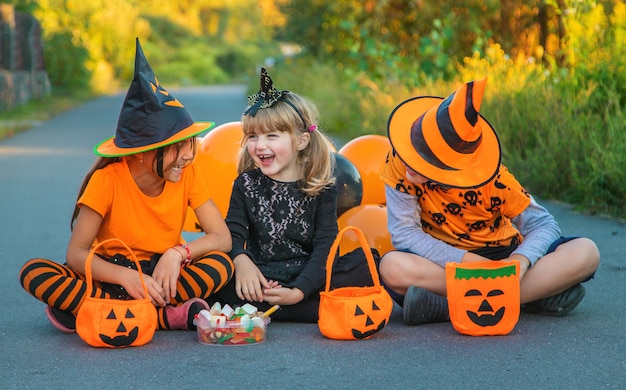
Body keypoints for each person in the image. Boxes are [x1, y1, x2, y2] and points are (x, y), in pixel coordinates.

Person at [18, 39, 234, 333]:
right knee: (35, 273)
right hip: (110, 272)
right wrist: (125, 277)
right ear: (142, 153)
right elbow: (77, 254)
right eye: (176, 147)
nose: (187, 154)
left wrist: (176, 254)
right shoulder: (107, 180)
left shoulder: (189, 174)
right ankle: (160, 316)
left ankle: (101, 310)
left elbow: (221, 237)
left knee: (221, 265)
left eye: (188, 144)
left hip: (162, 273)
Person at [379, 77, 600, 325]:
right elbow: (404, 233)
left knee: (586, 252)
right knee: (392, 267)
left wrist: (519, 261)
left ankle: (451, 307)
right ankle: (527, 297)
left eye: (424, 162)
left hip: (502, 255)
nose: (411, 163)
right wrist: (474, 265)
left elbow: (544, 225)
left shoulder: (494, 181)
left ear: (454, 169)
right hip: (444, 261)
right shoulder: (399, 162)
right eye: (412, 151)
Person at [210, 67, 365, 323]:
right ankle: (307, 310)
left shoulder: (321, 187)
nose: (260, 145)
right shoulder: (246, 184)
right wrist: (241, 261)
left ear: (301, 141)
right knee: (214, 273)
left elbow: (325, 246)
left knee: (366, 266)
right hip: (261, 276)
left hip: (307, 275)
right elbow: (233, 234)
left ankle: (285, 306)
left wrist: (299, 290)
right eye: (253, 136)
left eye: (272, 136)